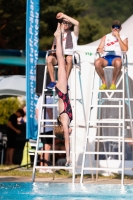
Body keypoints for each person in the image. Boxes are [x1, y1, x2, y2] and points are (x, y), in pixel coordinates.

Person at [54, 23, 72, 167]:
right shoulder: (64, 121)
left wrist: (68, 156)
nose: (69, 133)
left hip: (62, 90)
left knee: (61, 61)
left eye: (67, 133)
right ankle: (59, 36)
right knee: (62, 63)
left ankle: (58, 36)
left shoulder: (65, 123)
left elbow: (66, 141)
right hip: (63, 91)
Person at [46, 12, 79, 89]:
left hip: (68, 56)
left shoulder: (74, 34)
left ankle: (65, 81)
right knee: (49, 59)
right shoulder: (58, 34)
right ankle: (53, 81)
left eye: (67, 23)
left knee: (69, 58)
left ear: (70, 25)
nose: (65, 24)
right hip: (58, 57)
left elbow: (77, 23)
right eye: (63, 22)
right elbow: (53, 48)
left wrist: (63, 16)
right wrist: (52, 53)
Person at [94, 20, 128, 90]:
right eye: (114, 27)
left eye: (117, 27)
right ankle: (104, 82)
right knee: (97, 62)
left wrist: (118, 37)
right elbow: (99, 48)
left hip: (117, 57)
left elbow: (125, 49)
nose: (115, 28)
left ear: (120, 28)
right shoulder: (106, 37)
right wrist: (99, 49)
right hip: (106, 57)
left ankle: (113, 83)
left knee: (118, 63)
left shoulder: (124, 37)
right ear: (111, 28)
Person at [36, 95, 53, 173]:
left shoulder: (41, 97)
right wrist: (54, 123)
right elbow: (49, 110)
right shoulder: (48, 97)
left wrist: (39, 121)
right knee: (47, 146)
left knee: (43, 146)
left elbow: (37, 111)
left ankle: (42, 165)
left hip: (42, 126)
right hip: (48, 126)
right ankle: (45, 167)